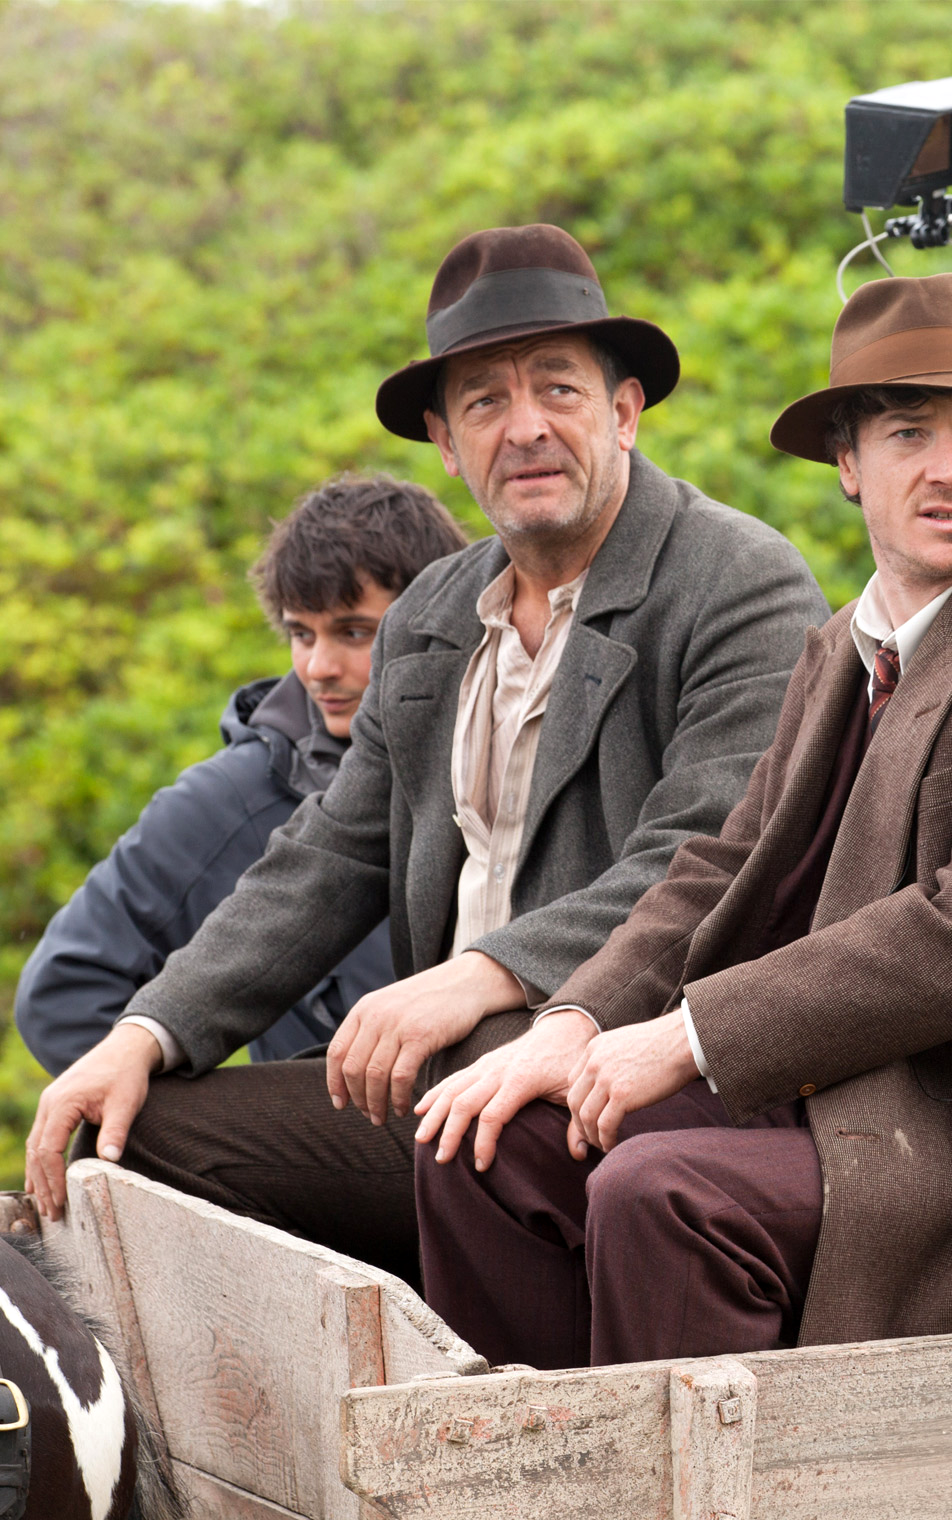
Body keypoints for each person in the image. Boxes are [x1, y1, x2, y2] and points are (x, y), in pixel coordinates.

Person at [408, 273, 952, 1369]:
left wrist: (684, 1041)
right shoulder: (841, 647)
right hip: (848, 1103)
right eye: (909, 434)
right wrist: (576, 1022)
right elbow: (724, 865)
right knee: (484, 1143)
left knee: (662, 1189)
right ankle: (546, 1479)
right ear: (846, 465)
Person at [22, 225, 829, 1285]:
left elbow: (706, 852)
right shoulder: (436, 614)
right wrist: (146, 1034)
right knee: (134, 1136)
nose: (526, 427)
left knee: (465, 1135)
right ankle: (318, 1404)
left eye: (558, 390)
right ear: (447, 444)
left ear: (624, 412)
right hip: (445, 1079)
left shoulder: (737, 583)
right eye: (485, 402)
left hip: (629, 1070)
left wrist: (483, 975)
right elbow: (329, 855)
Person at [17, 477, 469, 1073]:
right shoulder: (230, 799)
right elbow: (62, 991)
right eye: (301, 634)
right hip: (332, 1151)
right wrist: (209, 1140)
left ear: (438, 619)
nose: (318, 667)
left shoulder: (506, 750)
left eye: (354, 632)